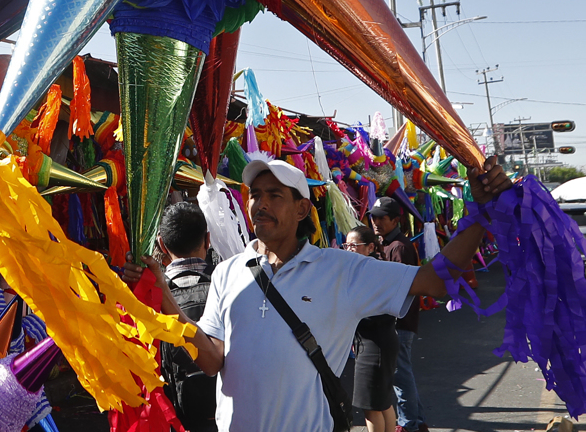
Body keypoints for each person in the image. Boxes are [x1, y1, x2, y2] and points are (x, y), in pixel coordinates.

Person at [123, 155, 511, 432]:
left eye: (275, 195)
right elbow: (210, 362)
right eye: (255, 194)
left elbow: (436, 279)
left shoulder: (341, 269)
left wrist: (480, 213)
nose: (261, 204)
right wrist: (165, 300)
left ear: (303, 209)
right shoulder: (226, 271)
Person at [128, 201, 219, 432]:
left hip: (177, 421)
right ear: (207, 240)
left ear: (161, 243)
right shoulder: (226, 287)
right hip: (227, 416)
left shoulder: (148, 299)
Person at [370, 195, 428, 432]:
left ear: (395, 220)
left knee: (400, 377)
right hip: (395, 322)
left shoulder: (400, 247)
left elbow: (401, 289)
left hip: (399, 322)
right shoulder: (386, 244)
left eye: (381, 218)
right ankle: (418, 421)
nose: (375, 223)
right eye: (373, 218)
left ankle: (408, 424)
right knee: (402, 375)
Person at [344, 225, 399, 432]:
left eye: (354, 245)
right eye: (346, 245)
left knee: (371, 406)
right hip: (378, 340)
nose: (349, 249)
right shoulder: (368, 268)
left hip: (374, 342)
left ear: (369, 247)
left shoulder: (371, 271)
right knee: (382, 401)